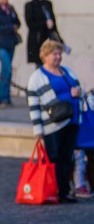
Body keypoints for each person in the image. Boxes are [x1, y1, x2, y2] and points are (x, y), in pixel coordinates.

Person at [27, 39, 82, 204]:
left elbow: (78, 88)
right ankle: (52, 190)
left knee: (67, 158)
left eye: (59, 53)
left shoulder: (67, 71)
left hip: (72, 121)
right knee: (54, 158)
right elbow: (34, 105)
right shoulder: (37, 77)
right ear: (45, 56)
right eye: (54, 54)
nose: (58, 57)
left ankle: (64, 191)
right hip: (53, 125)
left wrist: (79, 93)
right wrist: (37, 130)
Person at [25, 0, 61, 67]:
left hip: (48, 37)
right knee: (40, 64)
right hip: (37, 40)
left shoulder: (47, 3)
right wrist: (45, 24)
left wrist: (58, 38)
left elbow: (53, 22)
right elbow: (30, 24)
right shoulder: (30, 5)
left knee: (52, 62)